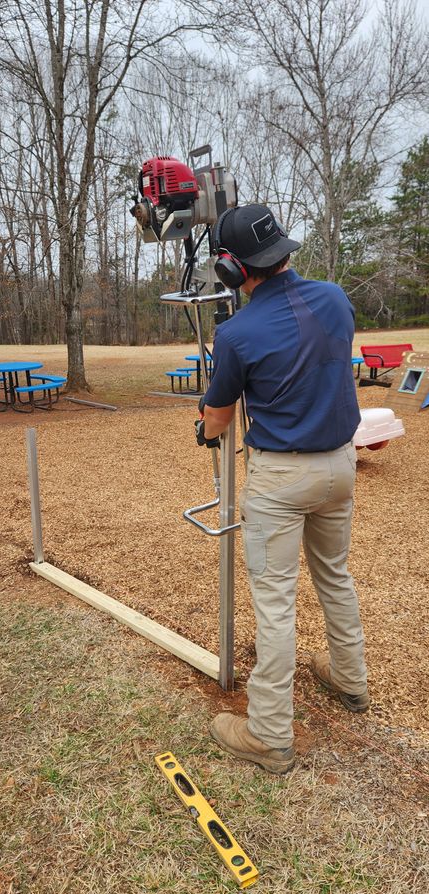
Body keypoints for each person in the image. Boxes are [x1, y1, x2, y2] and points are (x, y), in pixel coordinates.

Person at [198, 203, 369, 775]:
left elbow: (218, 416)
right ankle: (350, 680)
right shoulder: (335, 298)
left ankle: (270, 735)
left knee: (275, 603)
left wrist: (204, 426)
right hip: (341, 466)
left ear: (231, 269)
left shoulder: (236, 332)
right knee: (335, 576)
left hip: (282, 478)